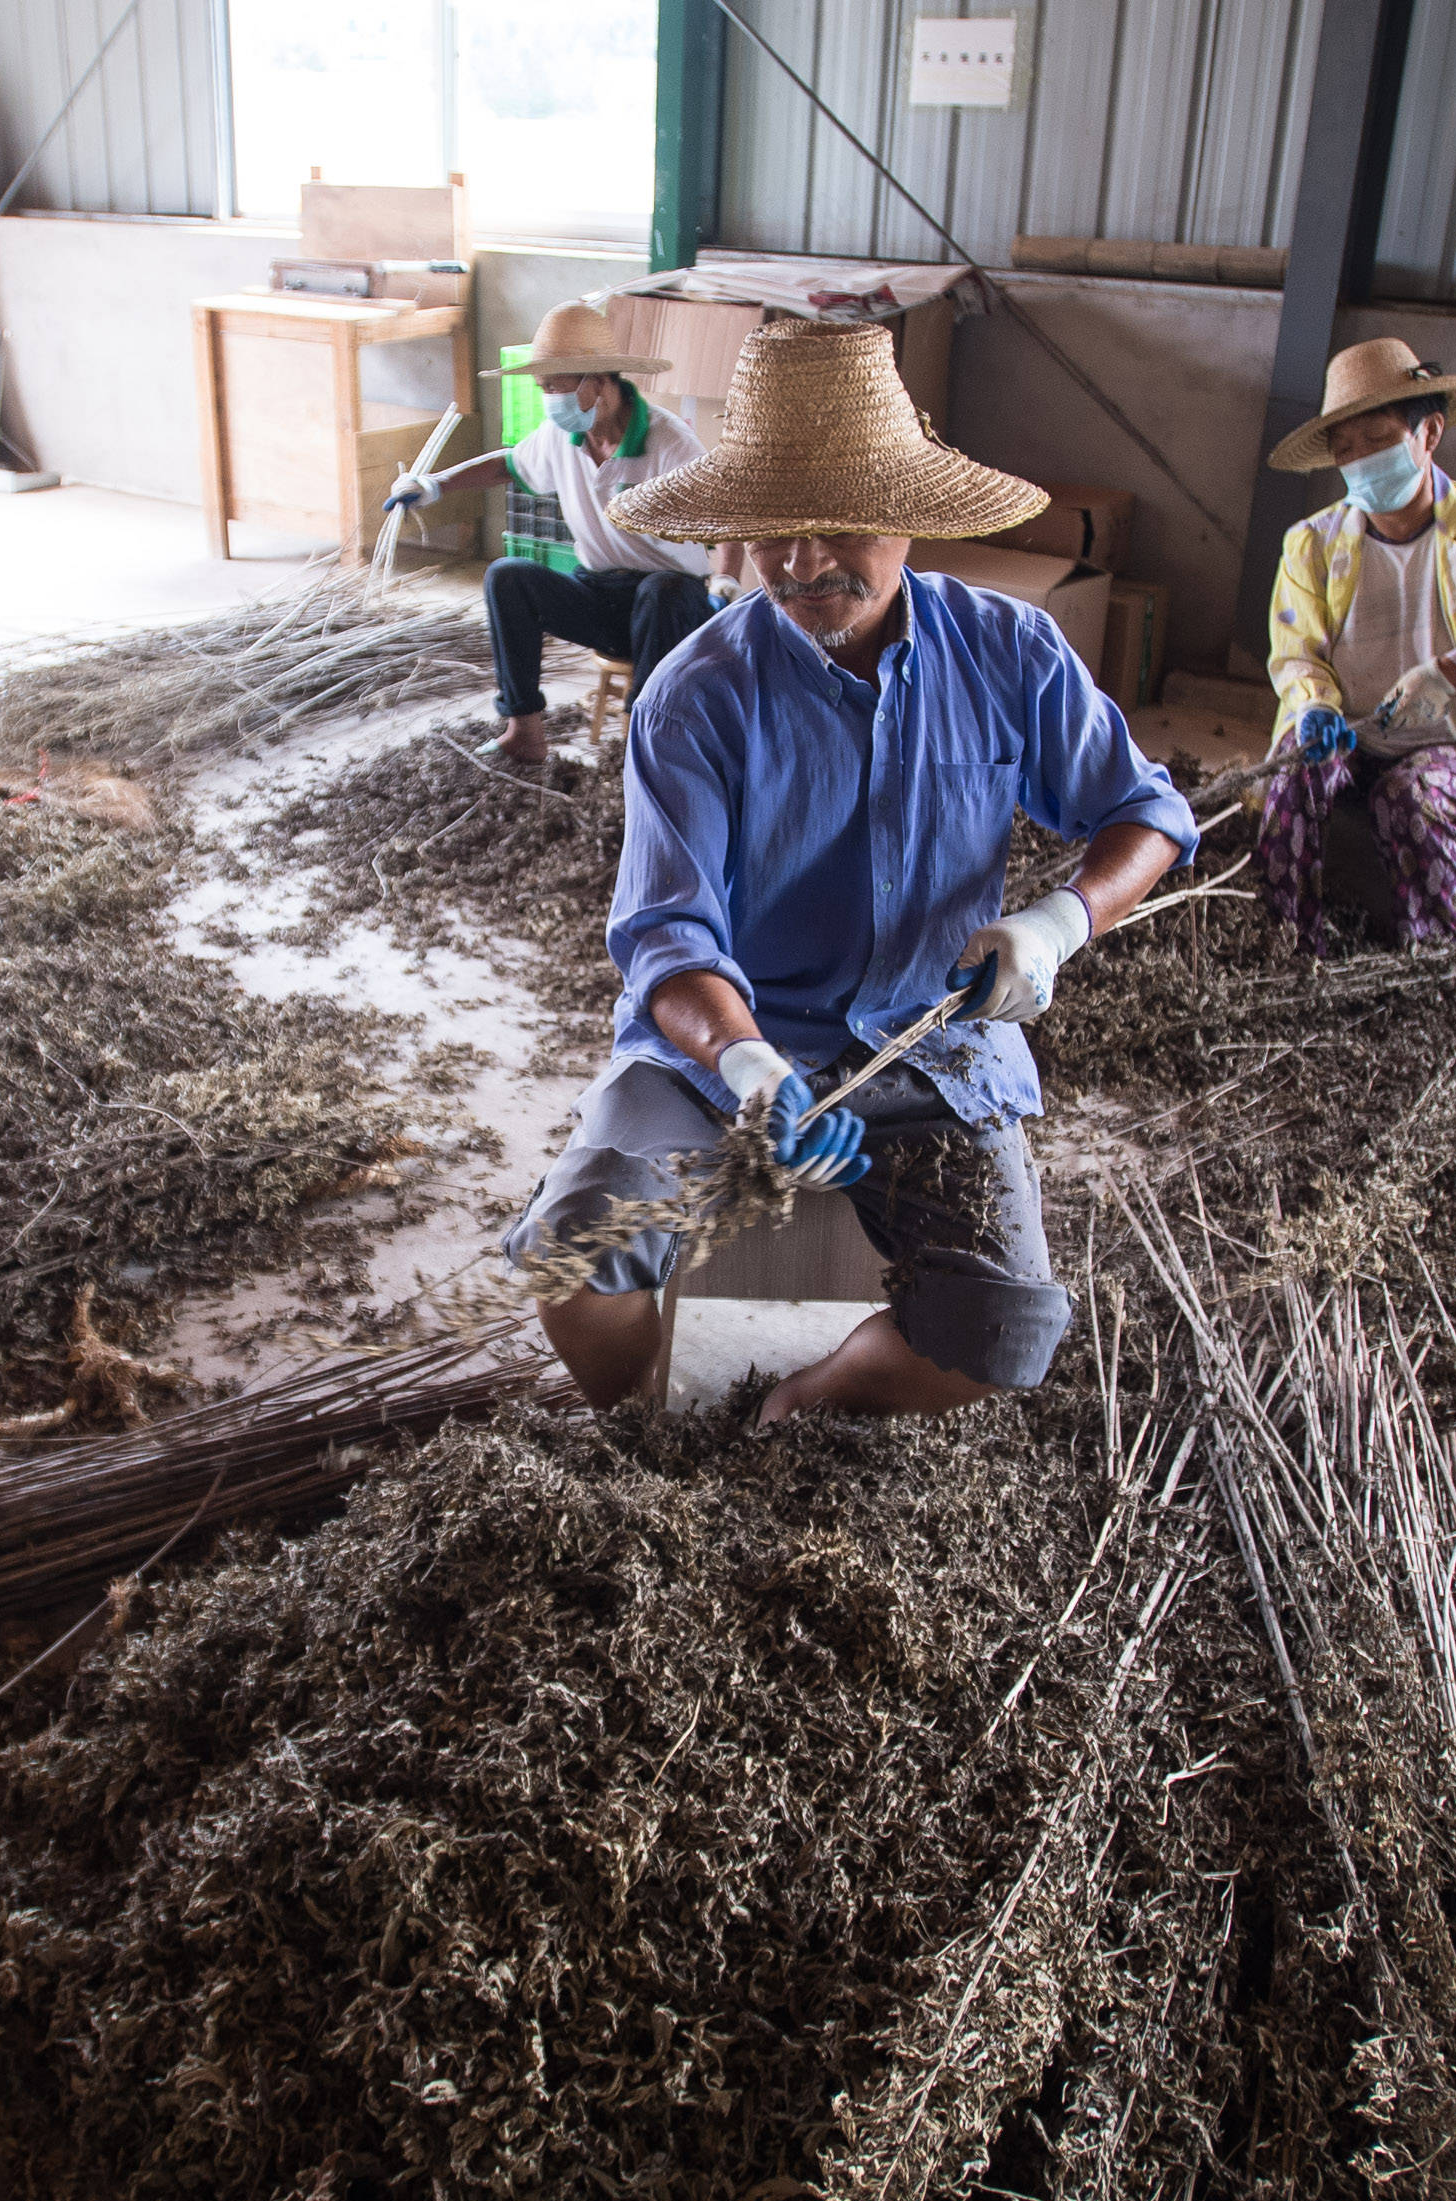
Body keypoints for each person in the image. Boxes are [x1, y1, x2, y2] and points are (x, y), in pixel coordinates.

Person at [504, 319, 1197, 1426]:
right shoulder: (697, 694)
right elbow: (664, 940)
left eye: (840, 526)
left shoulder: (1006, 651)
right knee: (572, 1260)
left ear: (911, 521)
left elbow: (1146, 813)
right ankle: (645, 1427)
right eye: (773, 531)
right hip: (725, 1055)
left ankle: (794, 1413)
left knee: (1006, 1330)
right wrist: (746, 1066)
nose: (801, 562)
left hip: (932, 1047)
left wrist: (1057, 924)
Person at [1259, 338, 1456, 952]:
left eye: (1378, 441)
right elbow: (1295, 649)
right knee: (1289, 782)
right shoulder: (1314, 544)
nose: (1360, 463)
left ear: (1428, 434)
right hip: (1346, 729)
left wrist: (1451, 672)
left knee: (1411, 800)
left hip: (1439, 741)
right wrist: (1315, 705)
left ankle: (1430, 958)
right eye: (1346, 450)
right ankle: (1288, 943)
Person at [383, 300, 740, 767]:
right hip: (600, 594)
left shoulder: (669, 442)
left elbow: (732, 516)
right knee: (508, 576)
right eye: (543, 388)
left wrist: (727, 582)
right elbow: (506, 464)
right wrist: (434, 485)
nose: (549, 398)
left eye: (555, 386)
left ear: (597, 381)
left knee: (663, 590)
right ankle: (523, 731)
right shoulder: (561, 435)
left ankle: (642, 744)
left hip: (673, 606)